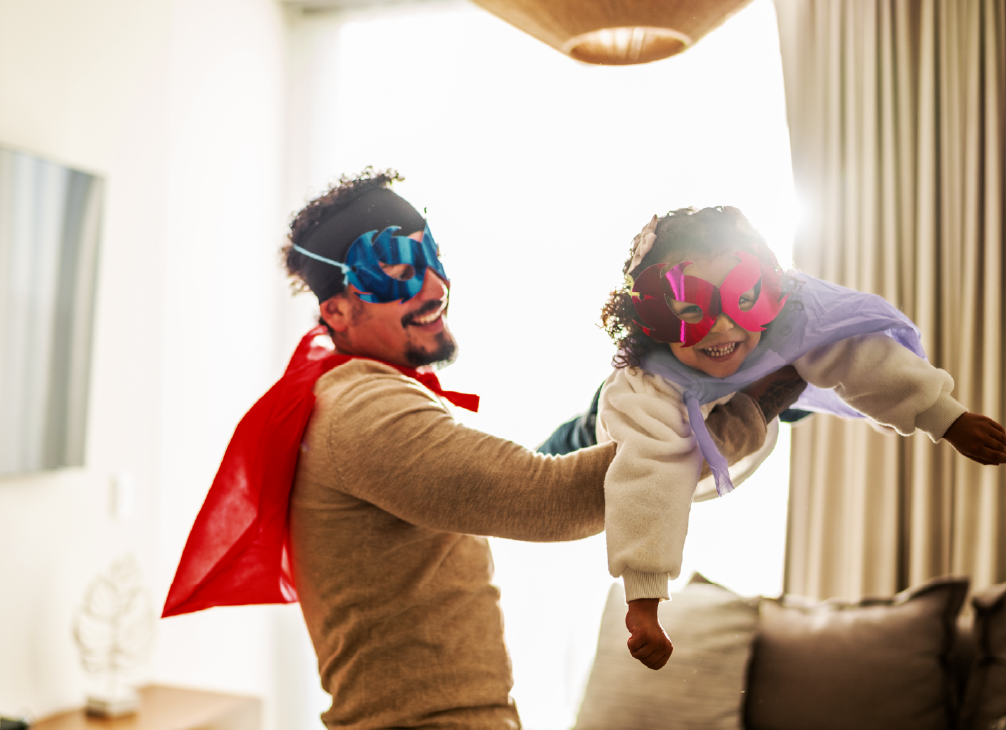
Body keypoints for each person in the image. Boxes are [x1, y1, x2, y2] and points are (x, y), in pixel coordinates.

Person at [164, 169, 802, 730]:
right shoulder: (364, 411)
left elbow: (511, 477)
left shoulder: (356, 394)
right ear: (334, 311)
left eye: (432, 257)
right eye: (395, 271)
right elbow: (547, 499)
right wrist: (749, 411)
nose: (432, 286)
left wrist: (630, 410)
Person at [595, 206, 1006, 671]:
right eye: (692, 309)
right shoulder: (646, 384)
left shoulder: (790, 316)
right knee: (585, 441)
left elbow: (861, 355)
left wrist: (947, 418)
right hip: (627, 418)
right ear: (654, 316)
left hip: (753, 378)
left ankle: (787, 385)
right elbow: (649, 474)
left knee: (810, 366)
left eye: (741, 299)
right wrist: (644, 600)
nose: (723, 327)